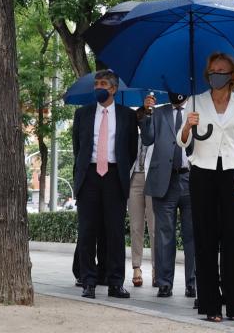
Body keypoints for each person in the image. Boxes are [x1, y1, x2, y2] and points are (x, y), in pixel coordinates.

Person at [178, 52, 234, 323]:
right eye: (212, 71)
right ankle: (210, 303)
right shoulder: (195, 101)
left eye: (222, 70)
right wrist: (188, 125)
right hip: (203, 172)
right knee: (206, 238)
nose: (216, 75)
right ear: (207, 74)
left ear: (232, 75)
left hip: (233, 172)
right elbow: (183, 142)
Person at [72, 69, 140, 300]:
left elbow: (131, 150)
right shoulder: (82, 114)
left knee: (115, 233)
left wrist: (117, 169)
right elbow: (77, 148)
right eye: (96, 84)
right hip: (89, 177)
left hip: (113, 177)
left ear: (113, 88)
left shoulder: (127, 116)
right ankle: (89, 281)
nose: (98, 88)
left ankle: (115, 283)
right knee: (87, 231)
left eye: (103, 84)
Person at [140, 91, 196, 299]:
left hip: (191, 179)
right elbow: (147, 139)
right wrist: (146, 113)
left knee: (192, 235)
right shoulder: (158, 112)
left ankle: (193, 283)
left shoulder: (196, 112)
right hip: (164, 180)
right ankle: (164, 283)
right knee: (164, 235)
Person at [129, 101, 157, 288]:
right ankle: (136, 267)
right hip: (135, 180)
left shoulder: (156, 131)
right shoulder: (131, 135)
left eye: (145, 116)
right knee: (136, 227)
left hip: (153, 178)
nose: (142, 120)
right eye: (140, 117)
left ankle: (157, 268)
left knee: (155, 228)